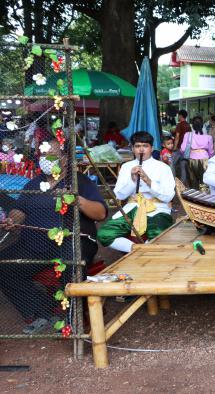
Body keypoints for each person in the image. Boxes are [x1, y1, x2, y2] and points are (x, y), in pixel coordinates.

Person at [0, 139, 107, 333]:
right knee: (4, 265)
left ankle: (72, 319)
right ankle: (43, 311)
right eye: (42, 156)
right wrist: (12, 221)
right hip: (36, 244)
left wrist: (78, 201)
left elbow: (100, 213)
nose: (46, 160)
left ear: (64, 159)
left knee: (70, 262)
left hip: (74, 240)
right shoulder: (35, 183)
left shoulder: (78, 181)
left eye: (52, 156)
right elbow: (20, 210)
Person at [97, 131, 175, 253]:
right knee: (104, 234)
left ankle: (144, 253)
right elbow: (119, 195)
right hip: (132, 207)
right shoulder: (126, 167)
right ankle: (137, 251)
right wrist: (132, 180)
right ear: (132, 148)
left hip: (158, 208)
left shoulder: (163, 168)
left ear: (151, 148)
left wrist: (149, 182)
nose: (141, 150)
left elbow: (168, 196)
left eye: (145, 146)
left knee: (159, 234)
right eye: (138, 146)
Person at [180, 115, 214, 189]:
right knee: (204, 182)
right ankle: (205, 198)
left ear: (192, 125)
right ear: (202, 125)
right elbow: (211, 152)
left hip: (192, 160)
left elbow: (182, 149)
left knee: (193, 182)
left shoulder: (188, 135)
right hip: (205, 160)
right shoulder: (208, 137)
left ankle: (194, 198)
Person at [172, 110, 191, 184]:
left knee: (172, 163)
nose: (178, 117)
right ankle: (183, 183)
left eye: (178, 115)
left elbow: (177, 136)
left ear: (180, 116)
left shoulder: (179, 125)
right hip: (186, 149)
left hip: (179, 148)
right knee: (183, 165)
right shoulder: (188, 125)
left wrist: (174, 147)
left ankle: (172, 181)